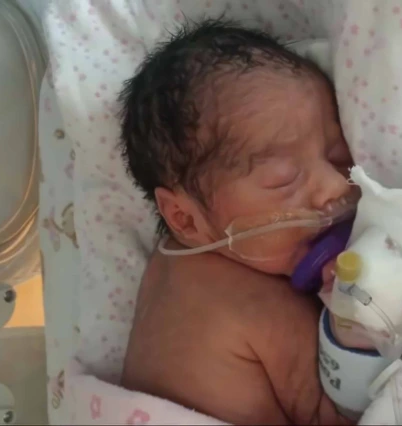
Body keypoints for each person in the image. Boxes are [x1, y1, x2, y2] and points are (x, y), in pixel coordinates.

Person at [119, 19, 362, 425]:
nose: (334, 185)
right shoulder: (258, 304)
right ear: (184, 217)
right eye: (283, 179)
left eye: (337, 155)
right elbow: (337, 415)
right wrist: (351, 320)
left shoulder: (171, 269)